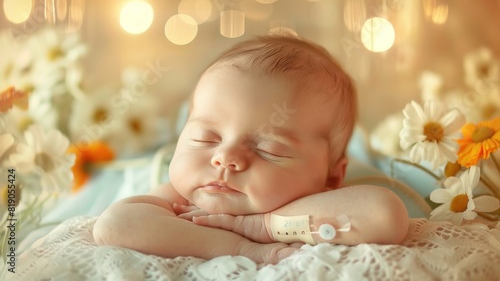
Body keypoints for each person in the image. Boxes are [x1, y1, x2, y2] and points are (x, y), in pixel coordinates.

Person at [93, 35, 409, 264]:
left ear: (331, 178)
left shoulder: (321, 206)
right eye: (205, 138)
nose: (226, 157)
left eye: (269, 149)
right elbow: (114, 226)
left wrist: (261, 225)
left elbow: (384, 215)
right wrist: (241, 248)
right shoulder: (181, 203)